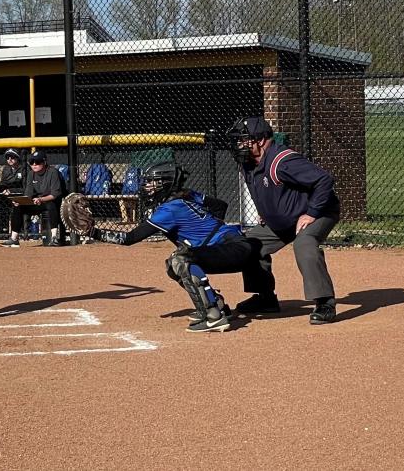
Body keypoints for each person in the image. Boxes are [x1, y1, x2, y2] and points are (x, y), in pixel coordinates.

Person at [66, 160, 254, 333]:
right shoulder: (186, 195)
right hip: (233, 244)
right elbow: (220, 206)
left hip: (233, 249)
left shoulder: (169, 209)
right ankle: (216, 305)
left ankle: (214, 316)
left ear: (166, 184)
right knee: (174, 265)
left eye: (152, 182)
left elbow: (130, 238)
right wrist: (207, 233)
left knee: (181, 260)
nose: (147, 187)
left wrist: (93, 232)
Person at [227, 117, 341, 325]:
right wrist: (268, 212)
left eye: (244, 140)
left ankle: (325, 302)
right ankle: (265, 299)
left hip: (319, 212)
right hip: (286, 219)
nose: (239, 145)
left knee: (304, 243)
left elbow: (324, 179)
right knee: (250, 244)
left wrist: (312, 213)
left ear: (260, 140)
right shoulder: (249, 163)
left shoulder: (283, 160)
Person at [0, 150, 65, 247]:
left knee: (51, 205)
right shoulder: (31, 174)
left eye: (37, 162)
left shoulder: (53, 172)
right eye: (31, 162)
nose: (34, 164)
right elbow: (29, 194)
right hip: (37, 201)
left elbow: (55, 194)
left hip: (51, 201)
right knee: (18, 207)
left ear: (44, 162)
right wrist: (21, 201)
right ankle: (14, 239)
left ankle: (54, 237)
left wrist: (41, 199)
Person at [0, 148, 27, 234]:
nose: (9, 159)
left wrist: (11, 190)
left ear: (17, 157)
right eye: (7, 158)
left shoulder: (24, 169)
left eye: (12, 157)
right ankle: (0, 230)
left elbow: (27, 188)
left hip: (21, 194)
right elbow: (3, 184)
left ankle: (21, 231)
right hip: (8, 195)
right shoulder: (6, 169)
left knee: (17, 205)